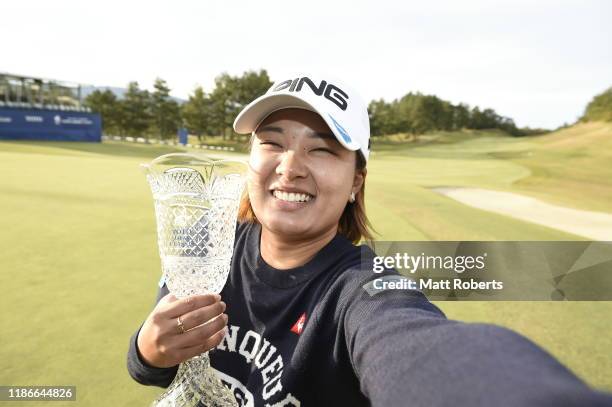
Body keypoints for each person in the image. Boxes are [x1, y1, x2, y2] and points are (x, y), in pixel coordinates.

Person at [127, 75, 612, 406]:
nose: (291, 165)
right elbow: (160, 368)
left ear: (357, 180)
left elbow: (415, 347)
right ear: (249, 158)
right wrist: (147, 351)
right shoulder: (205, 244)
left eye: (322, 148)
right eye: (272, 142)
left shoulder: (360, 290)